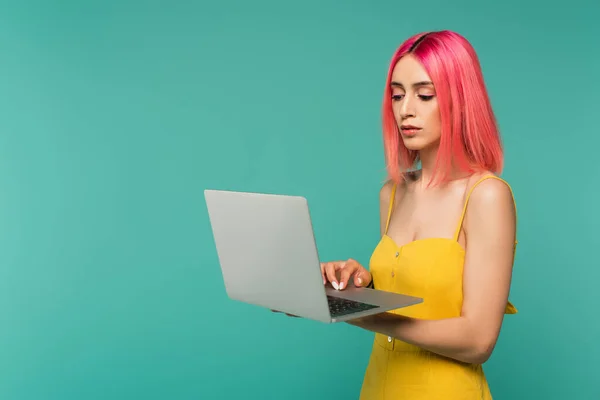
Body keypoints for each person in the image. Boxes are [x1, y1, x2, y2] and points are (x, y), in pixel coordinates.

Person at [319, 30, 518, 399]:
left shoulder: (486, 196)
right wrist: (356, 287)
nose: (404, 109)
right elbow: (409, 290)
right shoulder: (391, 193)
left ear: (460, 100)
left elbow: (478, 341)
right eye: (397, 95)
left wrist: (368, 317)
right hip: (378, 385)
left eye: (424, 95)